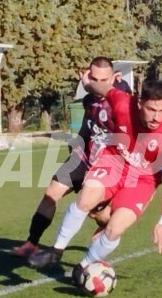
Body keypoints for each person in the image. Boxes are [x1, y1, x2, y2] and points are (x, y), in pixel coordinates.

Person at [27, 79, 162, 285]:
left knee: (115, 228)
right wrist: (88, 84)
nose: (157, 117)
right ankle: (55, 251)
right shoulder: (123, 103)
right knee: (86, 198)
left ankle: (83, 267)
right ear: (139, 103)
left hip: (143, 179)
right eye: (151, 109)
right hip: (114, 160)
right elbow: (104, 88)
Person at [11, 57, 118, 259]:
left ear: (114, 78)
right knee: (51, 193)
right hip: (82, 159)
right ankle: (31, 243)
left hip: (106, 166)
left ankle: (106, 232)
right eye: (94, 79)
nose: (98, 85)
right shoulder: (89, 100)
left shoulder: (122, 104)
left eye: (103, 80)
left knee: (99, 214)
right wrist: (78, 142)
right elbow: (88, 127)